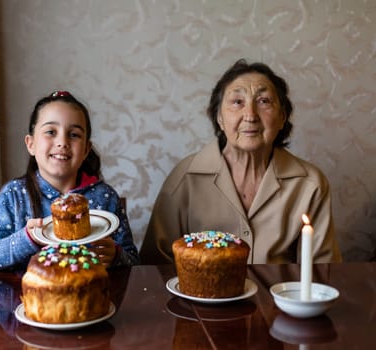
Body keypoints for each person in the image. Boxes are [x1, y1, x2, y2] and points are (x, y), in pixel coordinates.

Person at [140, 59, 342, 264]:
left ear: (282, 117)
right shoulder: (184, 178)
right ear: (219, 117)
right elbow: (153, 269)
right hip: (200, 296)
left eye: (263, 101)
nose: (250, 115)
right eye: (237, 102)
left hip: (278, 295)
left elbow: (323, 274)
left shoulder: (310, 184)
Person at [0, 91, 139, 270]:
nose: (62, 142)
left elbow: (134, 261)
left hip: (91, 295)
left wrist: (116, 255)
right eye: (51, 132)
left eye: (74, 134)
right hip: (29, 296)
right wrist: (27, 239)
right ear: (31, 144)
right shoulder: (14, 196)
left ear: (86, 149)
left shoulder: (105, 197)